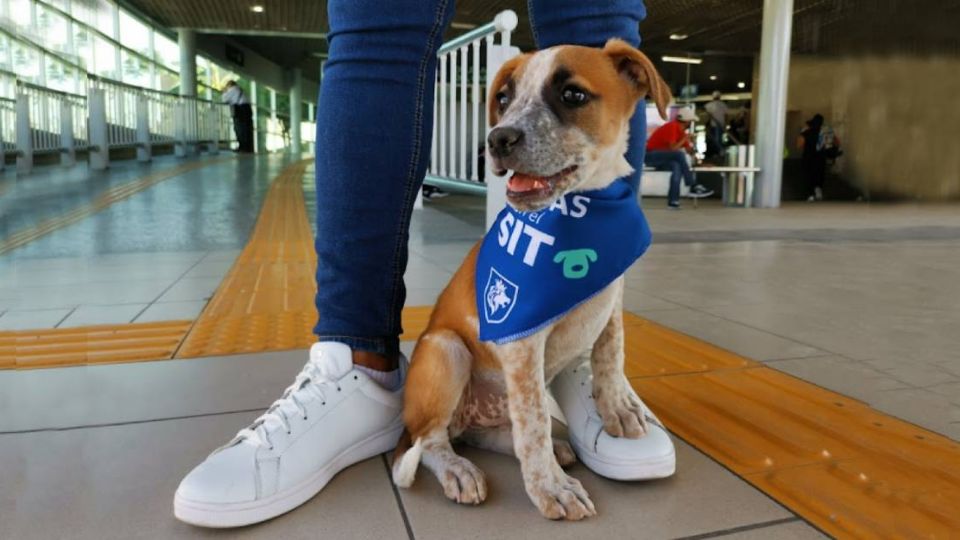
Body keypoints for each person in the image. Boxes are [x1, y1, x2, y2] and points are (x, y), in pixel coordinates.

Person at [175, 0, 675, 528]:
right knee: (378, 20)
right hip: (470, 363)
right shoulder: (521, 229)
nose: (507, 129)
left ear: (639, 85)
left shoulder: (617, 211)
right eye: (506, 102)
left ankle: (590, 382)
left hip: (516, 375)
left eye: (572, 97)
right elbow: (514, 332)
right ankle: (362, 369)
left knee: (598, 12)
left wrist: (610, 374)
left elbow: (610, 279)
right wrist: (538, 465)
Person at [644, 108, 714, 209]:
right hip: (650, 156)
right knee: (679, 155)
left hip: (662, 159)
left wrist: (699, 158)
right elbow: (673, 148)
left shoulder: (682, 133)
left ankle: (673, 201)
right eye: (691, 121)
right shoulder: (673, 126)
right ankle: (692, 185)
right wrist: (685, 139)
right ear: (687, 121)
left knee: (677, 166)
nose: (691, 123)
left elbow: (690, 152)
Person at [797, 113, 839, 201]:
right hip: (820, 158)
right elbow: (837, 142)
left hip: (808, 158)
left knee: (808, 175)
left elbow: (799, 145)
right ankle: (818, 190)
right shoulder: (825, 133)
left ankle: (810, 194)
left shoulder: (805, 133)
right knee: (819, 174)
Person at [221, 80, 254, 153]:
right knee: (247, 129)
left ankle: (242, 147)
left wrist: (224, 92)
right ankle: (249, 148)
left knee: (239, 129)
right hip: (247, 109)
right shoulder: (241, 90)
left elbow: (224, 100)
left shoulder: (232, 90)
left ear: (229, 85)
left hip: (240, 110)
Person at [704, 90, 728, 158]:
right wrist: (725, 124)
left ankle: (719, 151)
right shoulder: (723, 105)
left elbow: (726, 116)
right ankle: (718, 152)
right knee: (716, 139)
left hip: (716, 125)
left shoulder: (710, 105)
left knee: (717, 139)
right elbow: (726, 116)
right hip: (716, 125)